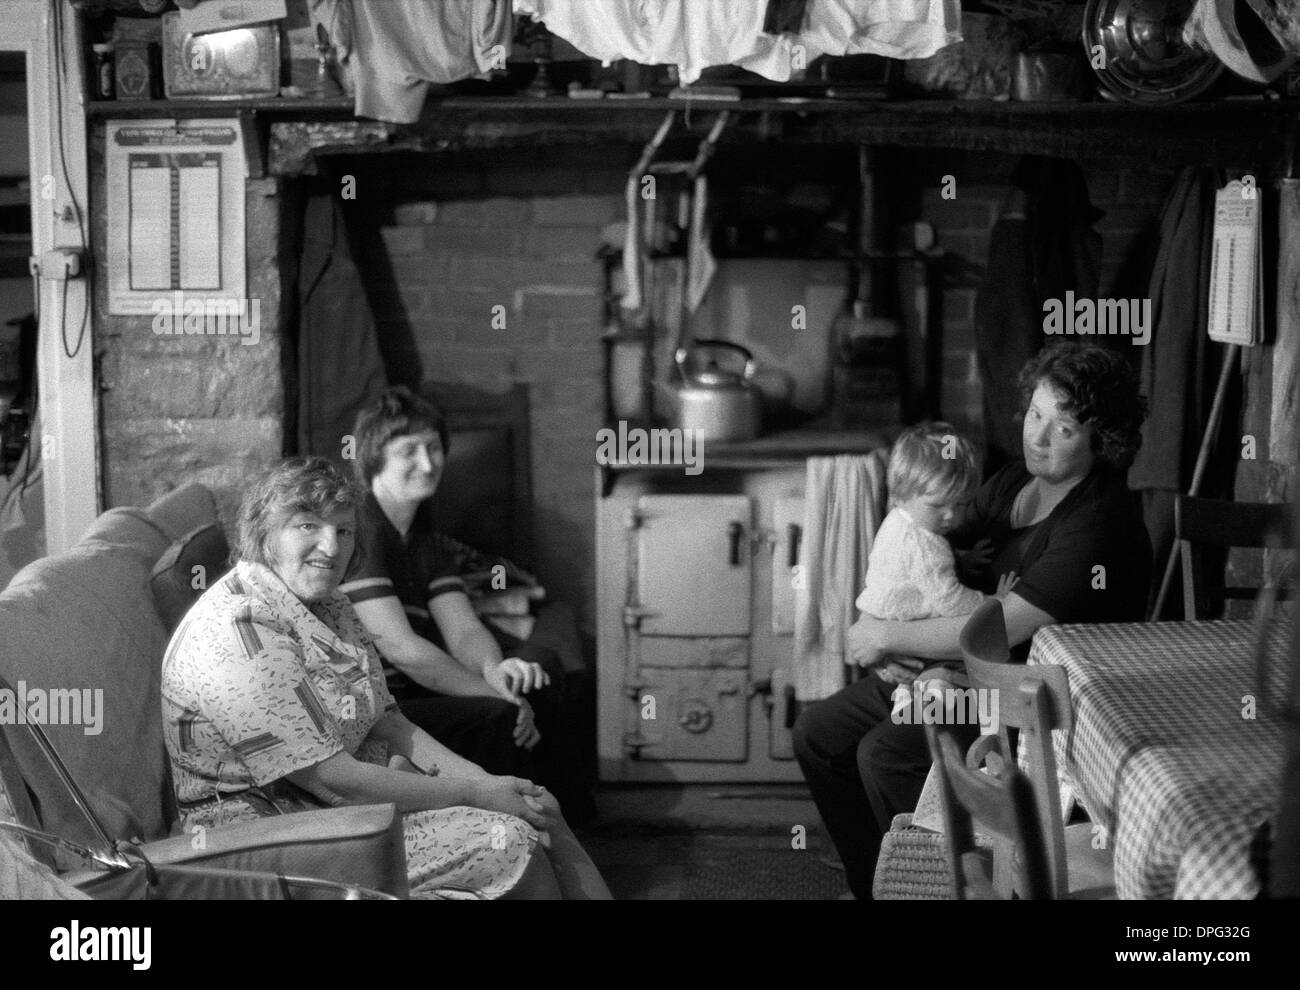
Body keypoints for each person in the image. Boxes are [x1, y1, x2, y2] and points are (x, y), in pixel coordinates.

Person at [794, 341, 1152, 899]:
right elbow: (931, 536)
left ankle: (944, 884)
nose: (1037, 436)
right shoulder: (1013, 483)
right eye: (1036, 413)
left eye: (1063, 429)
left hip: (1030, 702)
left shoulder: (1096, 525)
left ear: (1101, 440)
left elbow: (1000, 629)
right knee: (819, 735)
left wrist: (883, 635)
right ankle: (879, 880)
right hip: (950, 671)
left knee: (883, 756)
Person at [161, 457, 611, 899]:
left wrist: (493, 784)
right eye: (307, 526)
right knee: (509, 839)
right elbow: (333, 782)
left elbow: (389, 722)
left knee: (539, 814)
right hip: (262, 838)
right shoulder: (241, 630)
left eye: (344, 530)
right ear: (264, 533)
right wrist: (477, 794)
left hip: (334, 814)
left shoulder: (329, 602)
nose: (332, 547)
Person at [339, 387, 596, 824]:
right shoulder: (365, 527)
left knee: (541, 670)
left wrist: (496, 674)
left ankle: (568, 826)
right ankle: (522, 834)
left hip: (419, 688)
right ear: (373, 457)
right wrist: (494, 695)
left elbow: (464, 630)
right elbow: (402, 650)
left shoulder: (425, 535)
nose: (427, 462)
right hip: (384, 705)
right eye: (409, 451)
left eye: (434, 447)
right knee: (499, 713)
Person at [856, 422, 1018, 722]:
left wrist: (963, 561)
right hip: (908, 630)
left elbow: (925, 568)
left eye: (960, 505)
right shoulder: (922, 543)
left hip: (880, 618)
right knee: (945, 682)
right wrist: (995, 601)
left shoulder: (900, 520)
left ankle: (910, 707)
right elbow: (950, 600)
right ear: (900, 494)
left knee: (917, 685)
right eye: (938, 506)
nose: (950, 516)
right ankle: (930, 725)